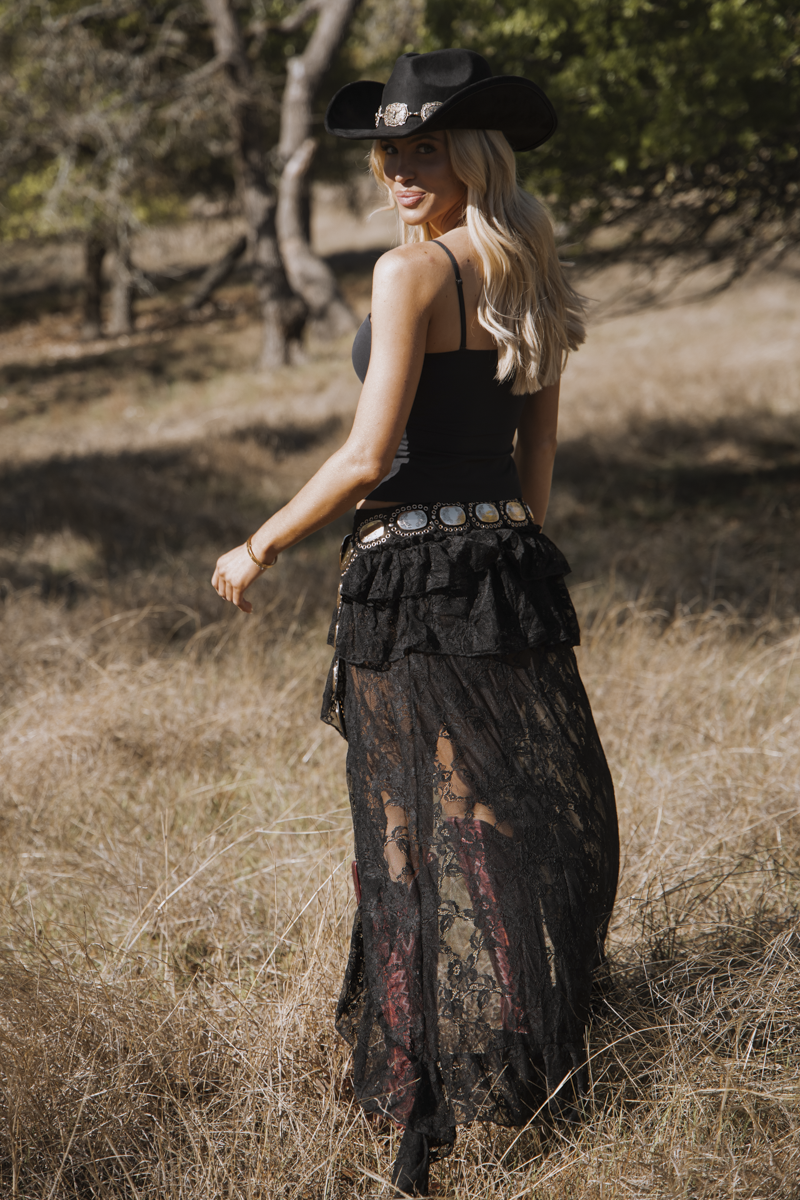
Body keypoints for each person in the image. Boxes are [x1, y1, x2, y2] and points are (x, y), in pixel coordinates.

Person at [212, 47, 619, 1200]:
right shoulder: (525, 260)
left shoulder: (415, 274)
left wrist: (259, 544)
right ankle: (521, 1068)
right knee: (505, 822)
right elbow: (534, 459)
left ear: (472, 153)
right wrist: (508, 550)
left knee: (405, 839)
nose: (396, 167)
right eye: (388, 147)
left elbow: (367, 454)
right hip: (505, 566)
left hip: (406, 578)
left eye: (422, 146)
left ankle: (417, 1103)